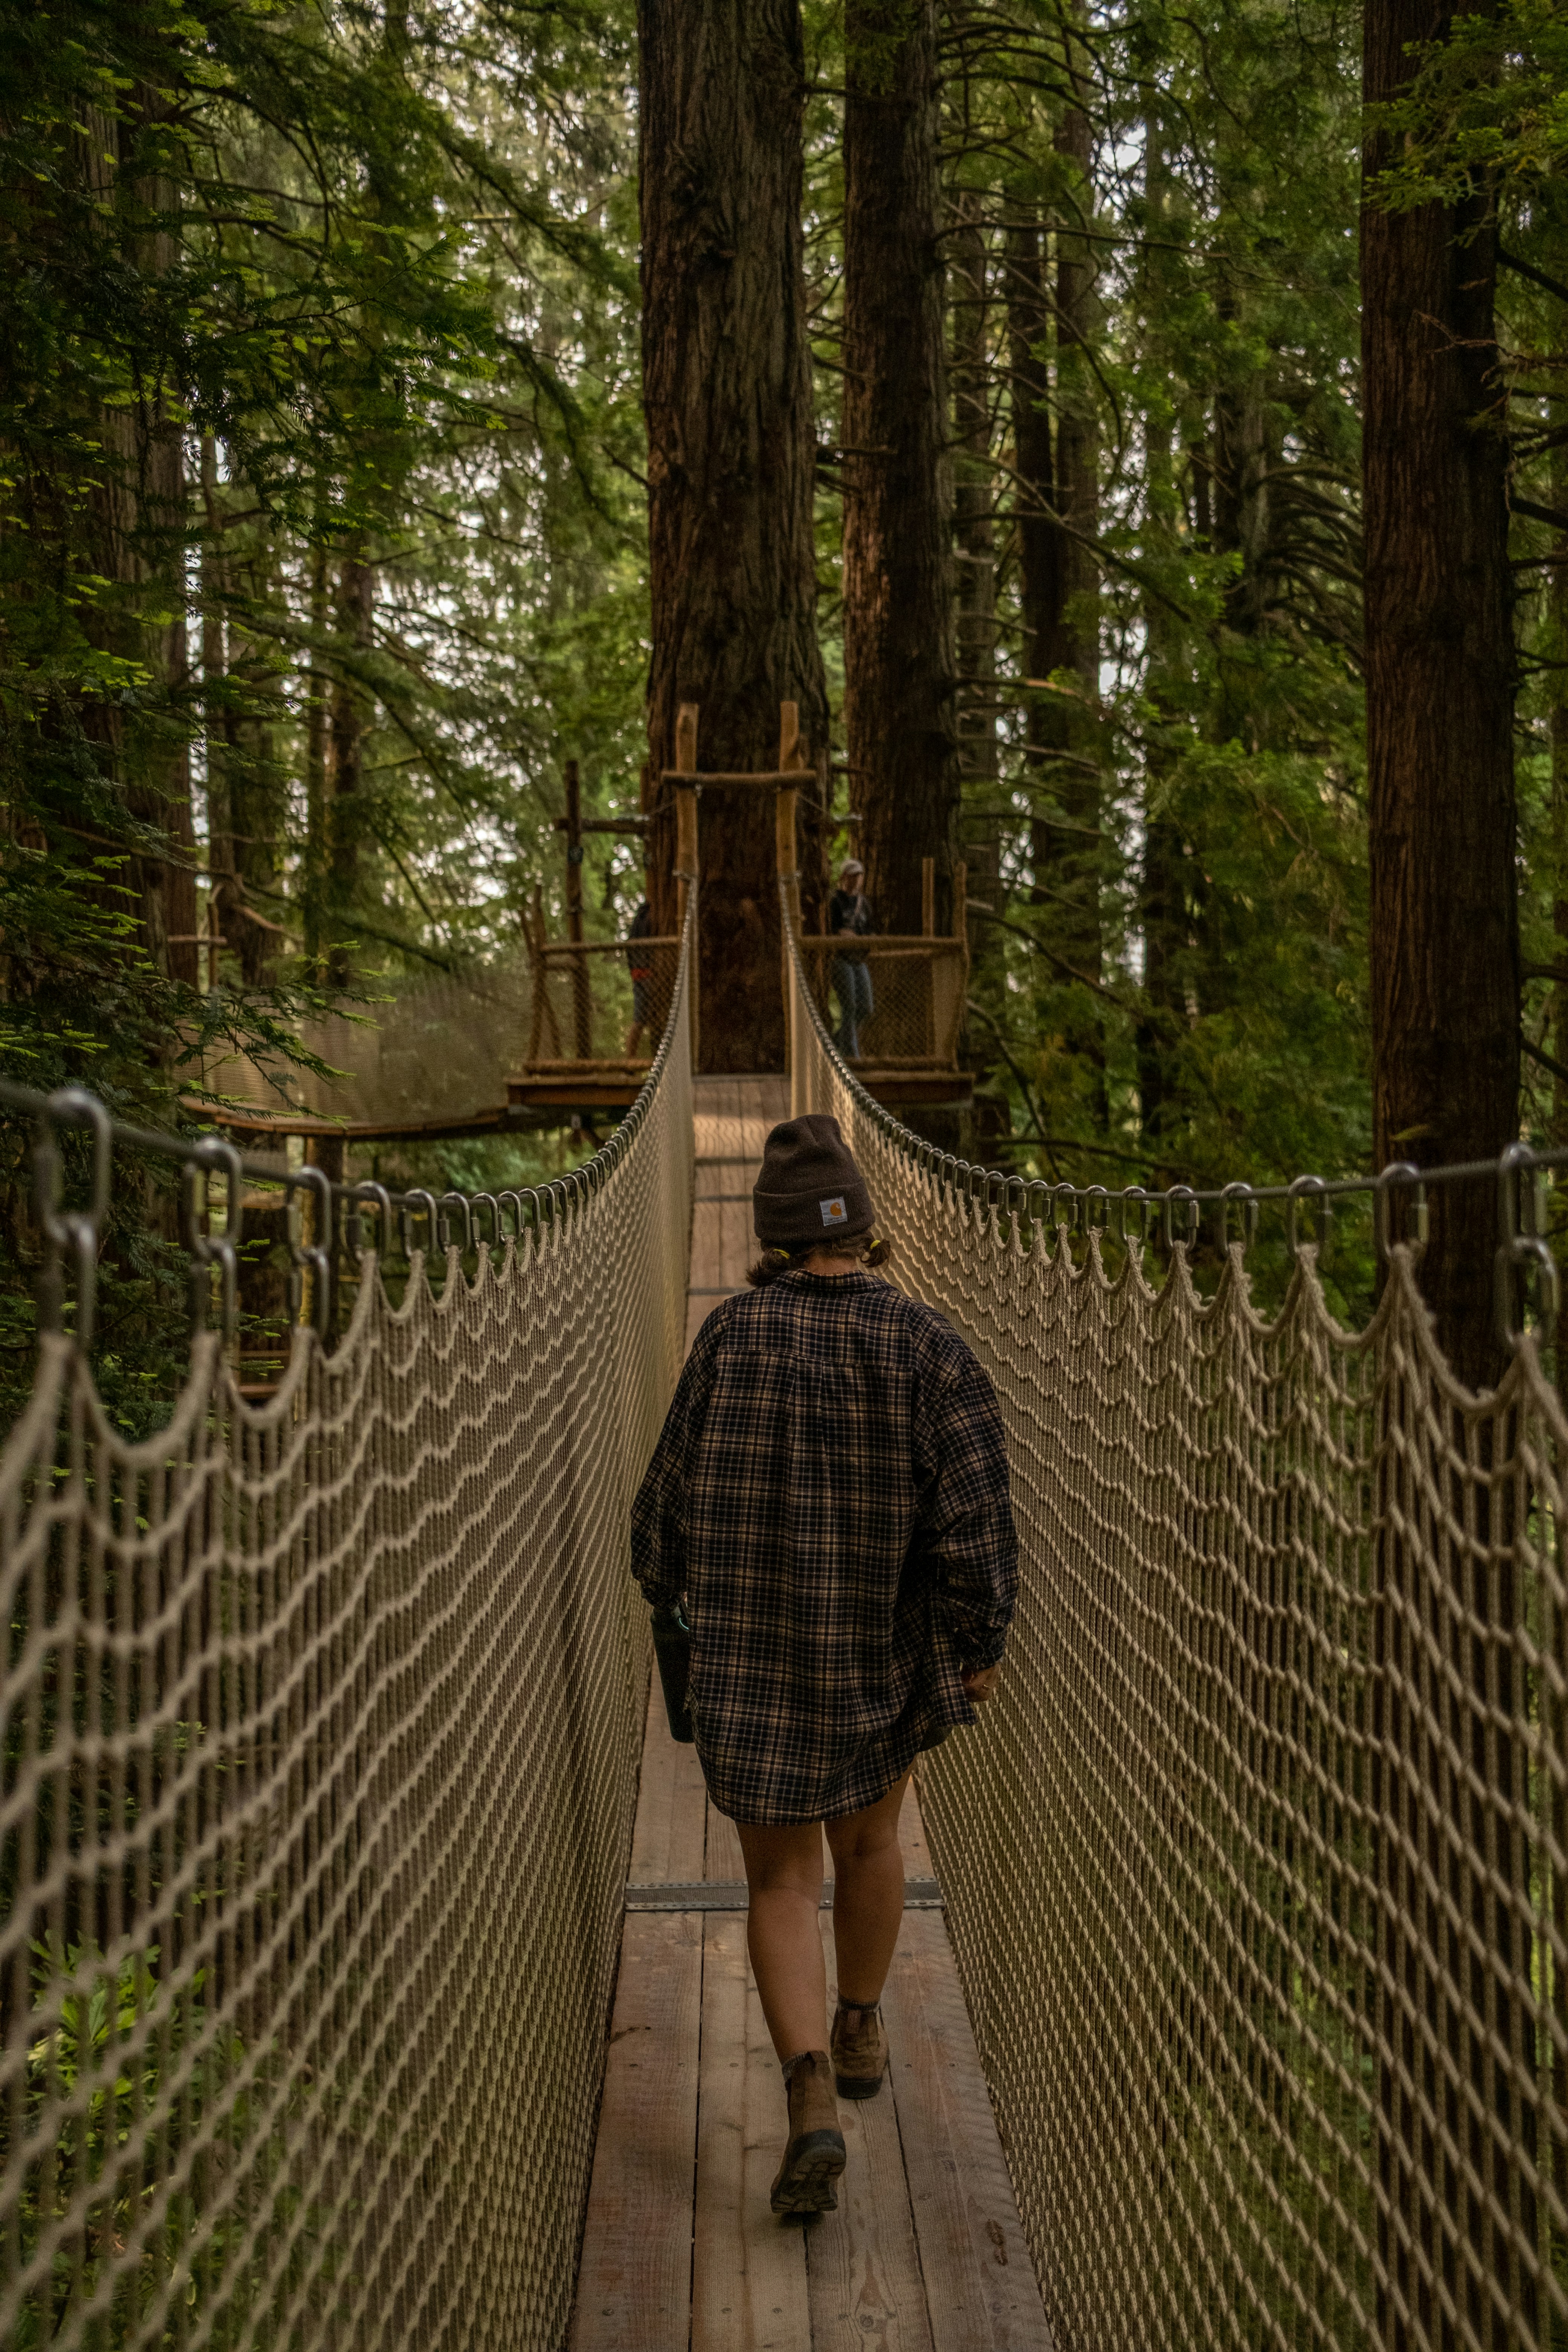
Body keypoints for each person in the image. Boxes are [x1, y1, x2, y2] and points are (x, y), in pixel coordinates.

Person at [630, 1113, 1016, 2215]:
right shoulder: (932, 1349)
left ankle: (806, 2093)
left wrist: (676, 1592)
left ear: (773, 1235)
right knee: (873, 1841)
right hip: (878, 1666)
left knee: (780, 1878)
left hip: (754, 1669)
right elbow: (975, 1522)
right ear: (866, 1230)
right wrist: (979, 1643)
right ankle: (857, 2025)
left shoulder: (729, 1339)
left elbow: (656, 1527)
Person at [828, 859, 874, 1060]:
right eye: (852, 875)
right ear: (843, 877)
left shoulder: (864, 904)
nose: (856, 880)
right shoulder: (835, 901)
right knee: (850, 1006)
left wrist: (868, 940)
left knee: (866, 1007)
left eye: (860, 875)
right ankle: (853, 1057)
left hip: (860, 959)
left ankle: (835, 1041)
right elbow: (836, 930)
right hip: (841, 958)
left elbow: (871, 930)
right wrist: (848, 937)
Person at [623, 896, 654, 1058]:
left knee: (642, 1021)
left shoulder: (640, 920)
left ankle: (632, 1061)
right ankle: (630, 1062)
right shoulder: (647, 917)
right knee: (640, 1021)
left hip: (642, 975)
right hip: (644, 976)